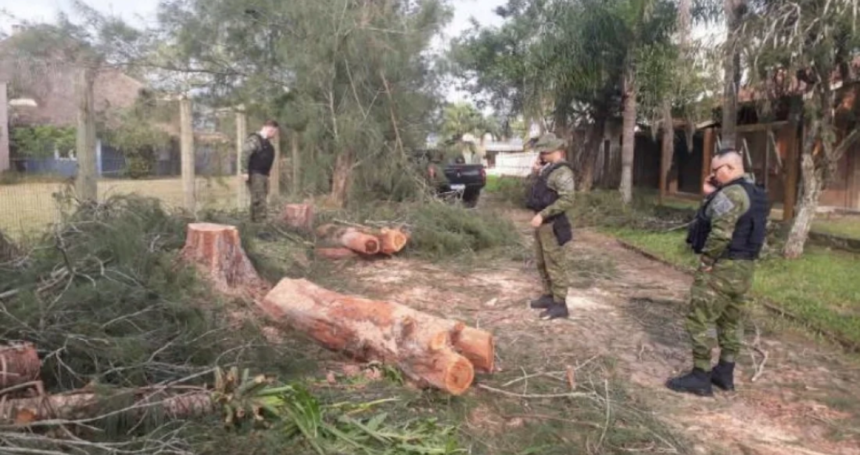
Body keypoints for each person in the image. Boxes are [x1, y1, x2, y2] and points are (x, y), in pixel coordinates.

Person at [667, 148, 770, 397]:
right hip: (744, 268)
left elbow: (720, 232)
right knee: (731, 320)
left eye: (716, 170)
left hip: (721, 267)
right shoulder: (756, 193)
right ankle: (725, 373)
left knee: (699, 318)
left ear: (731, 167)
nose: (713, 175)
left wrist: (707, 260)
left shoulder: (731, 194)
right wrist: (711, 195)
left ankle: (700, 376)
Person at [525, 133, 576, 320]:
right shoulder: (548, 169)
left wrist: (543, 214)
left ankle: (560, 304)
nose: (542, 154)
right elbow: (534, 190)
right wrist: (535, 172)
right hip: (542, 224)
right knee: (541, 261)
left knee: (555, 263)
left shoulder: (563, 172)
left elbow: (568, 199)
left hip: (553, 224)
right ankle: (548, 296)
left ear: (556, 150)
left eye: (545, 151)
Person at [241, 120, 279, 222]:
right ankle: (261, 225)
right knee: (259, 200)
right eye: (274, 132)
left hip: (263, 174)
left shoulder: (266, 142)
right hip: (255, 173)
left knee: (258, 199)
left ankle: (254, 224)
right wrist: (244, 171)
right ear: (270, 129)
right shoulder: (255, 140)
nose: (274, 135)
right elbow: (245, 154)